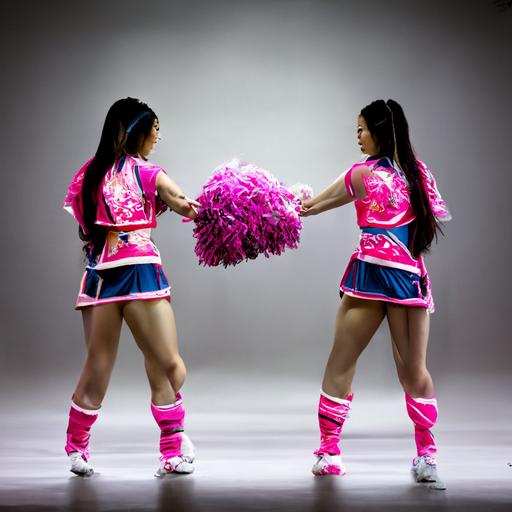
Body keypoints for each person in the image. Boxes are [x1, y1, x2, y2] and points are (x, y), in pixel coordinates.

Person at [300, 99, 451, 488]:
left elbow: (313, 205)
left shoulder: (366, 174)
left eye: (361, 129)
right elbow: (314, 205)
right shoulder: (418, 175)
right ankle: (423, 455)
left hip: (379, 278)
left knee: (349, 365)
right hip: (392, 278)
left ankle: (331, 453)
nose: (358, 137)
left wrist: (294, 204)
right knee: (406, 371)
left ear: (379, 132)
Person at [63, 97, 200, 478]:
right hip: (109, 275)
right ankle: (78, 448)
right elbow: (182, 202)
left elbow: (178, 202)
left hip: (130, 272)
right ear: (136, 130)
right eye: (154, 130)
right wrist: (215, 210)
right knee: (100, 366)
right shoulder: (131, 172)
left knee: (166, 364)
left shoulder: (106, 173)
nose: (157, 138)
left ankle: (172, 446)